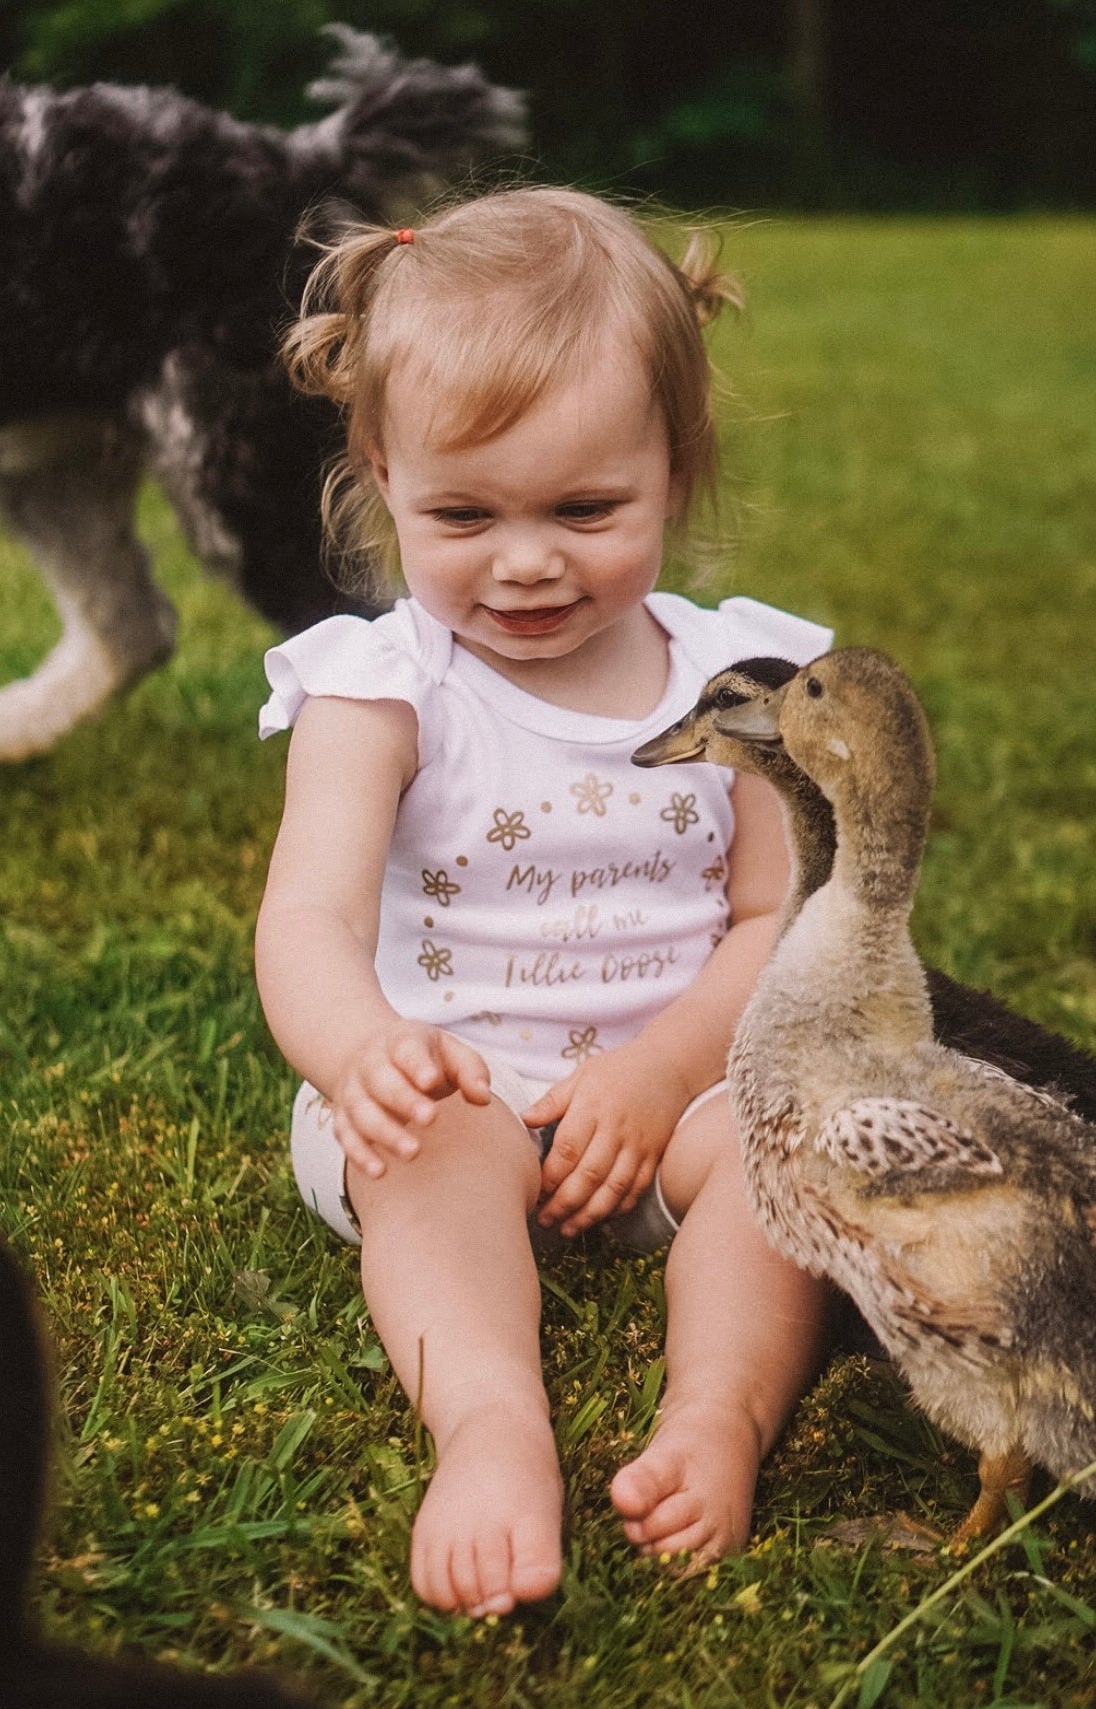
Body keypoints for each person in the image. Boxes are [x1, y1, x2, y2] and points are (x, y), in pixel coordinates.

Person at [255, 186, 832, 1622]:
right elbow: (307, 923)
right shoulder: (381, 686)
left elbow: (779, 922)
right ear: (384, 472)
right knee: (436, 1161)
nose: (525, 560)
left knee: (792, 1157)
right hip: (458, 1081)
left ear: (675, 466)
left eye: (586, 508)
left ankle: (718, 1415)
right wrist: (361, 1053)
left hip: (681, 1079)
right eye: (465, 512)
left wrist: (660, 1069)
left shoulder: (741, 686)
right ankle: (493, 1425)